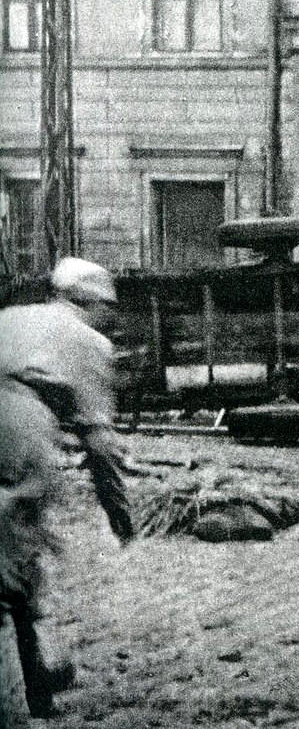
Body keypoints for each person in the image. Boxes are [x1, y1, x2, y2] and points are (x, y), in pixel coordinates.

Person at [0, 257, 135, 718]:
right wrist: (119, 511)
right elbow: (100, 443)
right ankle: (14, 701)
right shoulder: (86, 341)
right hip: (17, 420)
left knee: (11, 552)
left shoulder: (13, 316)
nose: (109, 320)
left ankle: (34, 676)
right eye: (107, 309)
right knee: (10, 561)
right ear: (89, 302)